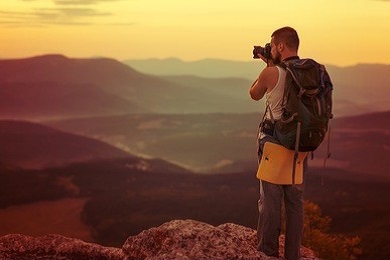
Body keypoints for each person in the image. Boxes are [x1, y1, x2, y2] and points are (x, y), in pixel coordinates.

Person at [249, 26, 304, 260]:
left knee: (270, 199)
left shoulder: (272, 73)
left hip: (273, 142)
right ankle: (293, 255)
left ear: (280, 46)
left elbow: (254, 93)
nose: (271, 49)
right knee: (294, 202)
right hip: (300, 142)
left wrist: (268, 66)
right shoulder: (311, 71)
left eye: (272, 45)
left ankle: (268, 252)